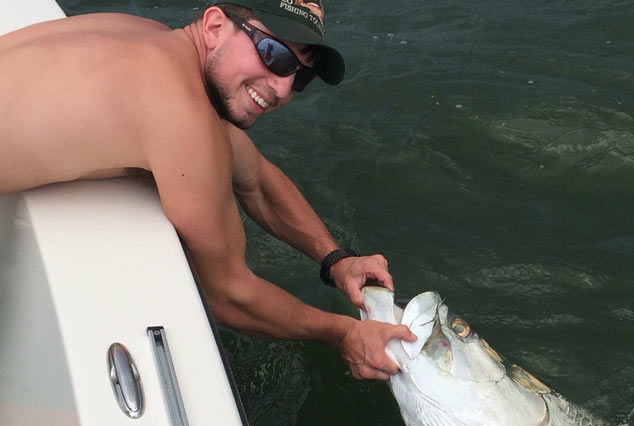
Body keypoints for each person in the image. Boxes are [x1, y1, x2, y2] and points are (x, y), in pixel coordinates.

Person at [0, 1, 414, 380]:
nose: (283, 88)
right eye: (275, 55)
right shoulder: (181, 117)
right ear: (216, 25)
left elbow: (255, 175)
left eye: (300, 75)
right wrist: (343, 333)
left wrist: (336, 259)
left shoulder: (148, 37)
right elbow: (230, 295)